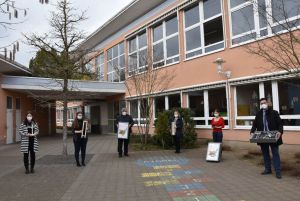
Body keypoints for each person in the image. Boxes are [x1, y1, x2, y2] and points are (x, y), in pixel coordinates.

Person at [250, 98, 283, 179]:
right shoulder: (258, 114)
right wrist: (252, 131)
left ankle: (278, 172)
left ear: (268, 103)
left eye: (264, 103)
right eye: (261, 103)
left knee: (275, 154)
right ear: (260, 105)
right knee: (265, 154)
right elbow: (255, 124)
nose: (263, 104)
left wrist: (280, 131)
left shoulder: (274, 113)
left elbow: (280, 124)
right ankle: (268, 169)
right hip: (262, 136)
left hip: (273, 136)